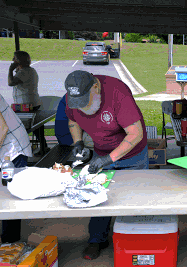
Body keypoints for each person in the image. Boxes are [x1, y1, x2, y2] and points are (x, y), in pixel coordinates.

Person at [64, 70, 149, 260]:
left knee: (133, 198)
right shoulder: (73, 94)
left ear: (95, 86)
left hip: (132, 154)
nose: (82, 107)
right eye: (78, 103)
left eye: (86, 101)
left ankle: (136, 241)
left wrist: (109, 159)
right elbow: (72, 120)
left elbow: (136, 134)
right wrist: (78, 142)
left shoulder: (118, 93)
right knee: (97, 195)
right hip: (102, 152)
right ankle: (97, 239)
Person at [0, 93, 33, 244]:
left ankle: (9, 244)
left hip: (13, 148)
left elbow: (2, 128)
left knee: (11, 196)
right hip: (5, 147)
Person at [7, 51, 45, 154]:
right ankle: (42, 147)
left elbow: (11, 83)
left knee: (29, 128)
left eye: (14, 58)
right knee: (36, 128)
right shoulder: (27, 71)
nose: (12, 60)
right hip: (28, 103)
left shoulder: (25, 72)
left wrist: (10, 70)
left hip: (27, 104)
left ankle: (33, 148)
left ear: (20, 60)